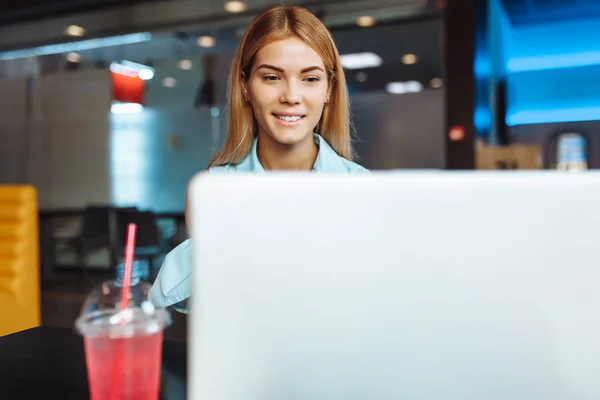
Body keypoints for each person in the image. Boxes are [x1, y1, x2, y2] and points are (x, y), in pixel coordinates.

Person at [149, 4, 368, 312]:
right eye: (271, 77)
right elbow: (210, 307)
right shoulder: (213, 190)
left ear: (329, 89)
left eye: (310, 79)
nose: (292, 96)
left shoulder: (362, 188)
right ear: (245, 86)